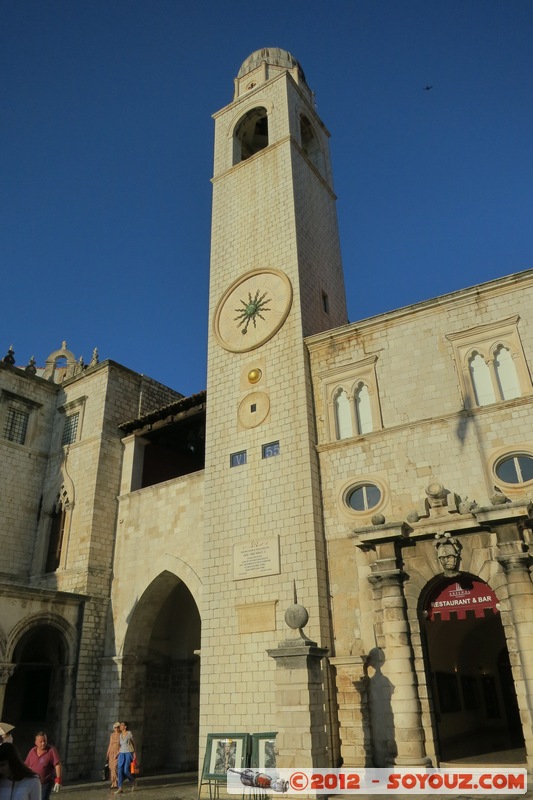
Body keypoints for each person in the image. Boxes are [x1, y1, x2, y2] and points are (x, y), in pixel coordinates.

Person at [24, 733, 61, 800]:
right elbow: (26, 765)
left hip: (45, 783)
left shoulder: (51, 750)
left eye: (45, 741)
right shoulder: (32, 751)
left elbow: (57, 765)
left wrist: (58, 781)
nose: (43, 743)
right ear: (36, 742)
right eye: (41, 741)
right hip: (33, 783)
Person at [115, 722, 135, 795]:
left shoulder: (129, 733)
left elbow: (133, 743)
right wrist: (118, 753)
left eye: (122, 725)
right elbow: (119, 745)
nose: (120, 726)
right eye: (120, 725)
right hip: (121, 753)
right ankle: (120, 787)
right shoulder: (120, 735)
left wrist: (134, 753)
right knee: (120, 770)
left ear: (125, 727)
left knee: (126, 770)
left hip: (128, 753)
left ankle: (133, 781)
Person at [106, 723, 121, 790]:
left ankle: (117, 782)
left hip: (117, 752)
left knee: (115, 767)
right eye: (115, 727)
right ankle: (113, 783)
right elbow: (110, 744)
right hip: (112, 752)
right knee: (111, 767)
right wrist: (108, 753)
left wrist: (119, 752)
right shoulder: (112, 735)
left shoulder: (121, 735)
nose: (116, 729)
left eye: (118, 727)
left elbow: (122, 744)